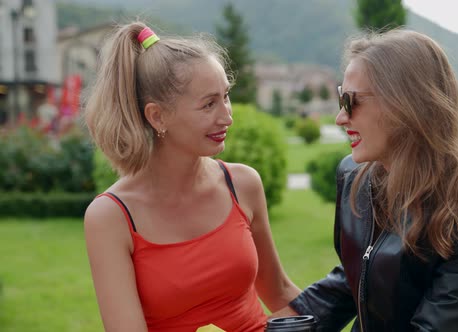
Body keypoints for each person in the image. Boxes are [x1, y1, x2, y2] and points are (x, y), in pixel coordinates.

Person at [273, 29, 458, 331]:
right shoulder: (353, 176)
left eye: (351, 101)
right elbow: (356, 279)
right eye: (339, 98)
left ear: (406, 104)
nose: (340, 117)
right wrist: (279, 323)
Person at [83, 22, 300, 332]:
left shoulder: (242, 184)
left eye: (225, 97)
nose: (227, 116)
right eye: (208, 104)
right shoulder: (111, 217)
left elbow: (279, 293)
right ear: (157, 116)